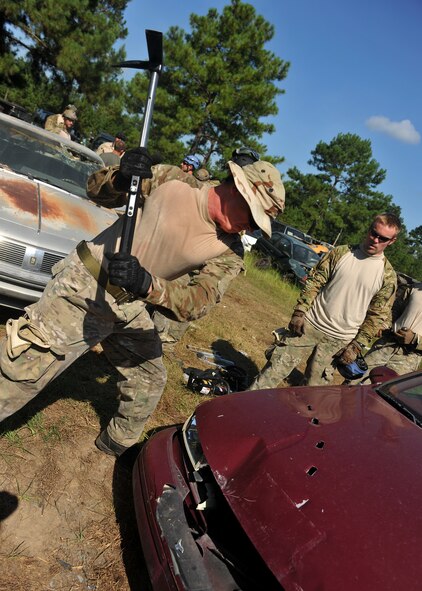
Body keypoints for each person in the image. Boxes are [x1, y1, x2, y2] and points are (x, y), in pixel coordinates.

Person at [0, 148, 285, 458]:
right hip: (84, 287)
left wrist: (146, 284)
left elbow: (197, 302)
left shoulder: (229, 252)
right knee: (23, 374)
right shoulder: (172, 181)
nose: (252, 229)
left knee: (149, 378)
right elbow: (96, 191)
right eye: (254, 219)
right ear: (238, 189)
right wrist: (122, 177)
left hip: (130, 304)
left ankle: (116, 446)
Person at [249, 213, 401, 390]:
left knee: (313, 393)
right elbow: (314, 282)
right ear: (369, 229)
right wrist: (299, 312)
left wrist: (356, 346)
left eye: (383, 238)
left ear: (392, 241)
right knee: (272, 372)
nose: (375, 240)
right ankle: (242, 409)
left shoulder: (388, 276)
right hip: (308, 326)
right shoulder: (341, 253)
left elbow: (376, 316)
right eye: (374, 233)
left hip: (339, 340)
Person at [347, 274, 422, 381]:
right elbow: (394, 312)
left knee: (385, 393)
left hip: (408, 357)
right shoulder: (413, 288)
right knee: (355, 381)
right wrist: (383, 325)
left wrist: (415, 339)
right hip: (386, 344)